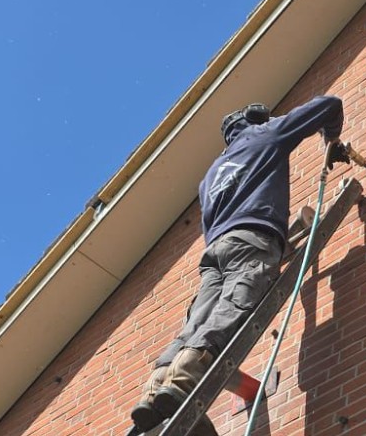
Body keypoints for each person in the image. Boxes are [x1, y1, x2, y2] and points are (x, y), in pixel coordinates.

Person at [130, 95, 348, 432]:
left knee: (198, 320)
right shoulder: (265, 135)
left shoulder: (210, 176)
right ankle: (187, 374)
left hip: (215, 251)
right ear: (257, 122)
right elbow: (329, 105)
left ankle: (158, 384)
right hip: (252, 238)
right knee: (235, 305)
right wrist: (331, 139)